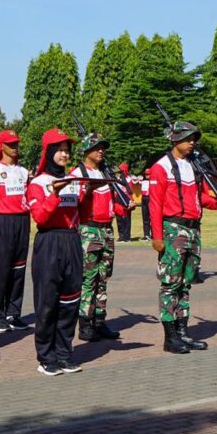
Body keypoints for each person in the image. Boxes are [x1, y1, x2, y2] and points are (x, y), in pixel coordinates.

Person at [150, 121, 217, 353]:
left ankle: (183, 332)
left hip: (193, 229)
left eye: (194, 139)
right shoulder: (161, 167)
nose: (192, 143)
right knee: (170, 284)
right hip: (173, 229)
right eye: (188, 138)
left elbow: (200, 196)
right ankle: (170, 337)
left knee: (185, 283)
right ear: (175, 139)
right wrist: (158, 237)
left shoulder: (193, 166)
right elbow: (155, 204)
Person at [28, 129, 85, 374]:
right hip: (49, 242)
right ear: (49, 152)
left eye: (66, 150)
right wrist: (55, 193)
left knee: (70, 301)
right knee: (47, 302)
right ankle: (46, 356)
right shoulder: (38, 182)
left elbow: (79, 209)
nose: (64, 154)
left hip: (72, 241)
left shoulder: (74, 179)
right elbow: (39, 216)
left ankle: (64, 353)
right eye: (59, 149)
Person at [72, 133, 128, 342]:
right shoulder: (78, 173)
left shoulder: (106, 173)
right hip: (88, 229)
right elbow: (74, 202)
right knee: (88, 279)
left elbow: (115, 201)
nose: (101, 151)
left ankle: (99, 320)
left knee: (103, 278)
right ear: (86, 150)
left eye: (103, 147)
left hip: (106, 230)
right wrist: (86, 190)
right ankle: (85, 323)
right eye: (96, 147)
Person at [0, 130, 31, 333]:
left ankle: (14, 313)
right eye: (10, 144)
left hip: (22, 221)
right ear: (1, 146)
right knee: (2, 270)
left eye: (16, 144)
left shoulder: (23, 171)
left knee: (19, 269)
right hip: (3, 222)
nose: (15, 147)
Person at [115, 163, 133, 242]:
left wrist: (130, 201)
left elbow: (129, 191)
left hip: (126, 200)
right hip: (118, 200)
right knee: (119, 219)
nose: (120, 172)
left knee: (126, 219)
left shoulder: (129, 179)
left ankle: (127, 237)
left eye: (122, 170)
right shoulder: (117, 178)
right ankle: (121, 236)